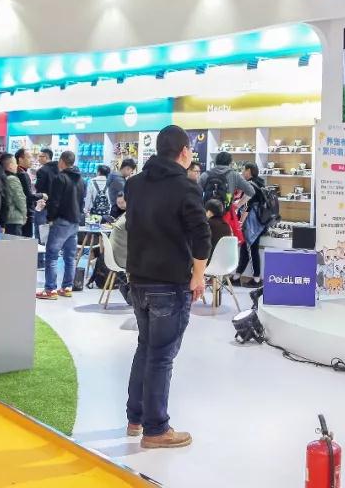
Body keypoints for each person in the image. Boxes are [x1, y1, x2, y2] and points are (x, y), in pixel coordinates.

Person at [124, 125, 211, 448]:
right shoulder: (186, 187)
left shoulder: (134, 184)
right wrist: (198, 275)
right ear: (184, 152)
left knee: (145, 348)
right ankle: (156, 429)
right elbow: (201, 235)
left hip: (138, 280)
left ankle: (135, 418)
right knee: (161, 356)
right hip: (169, 283)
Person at [37, 151, 85, 300]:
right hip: (75, 222)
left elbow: (54, 201)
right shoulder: (81, 179)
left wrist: (50, 218)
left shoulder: (60, 178)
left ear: (62, 162)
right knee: (70, 257)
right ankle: (67, 287)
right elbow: (81, 202)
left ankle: (50, 289)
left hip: (61, 221)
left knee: (52, 255)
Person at [200, 152, 255, 246]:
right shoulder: (234, 175)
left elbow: (195, 192)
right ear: (230, 162)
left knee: (206, 242)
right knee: (225, 244)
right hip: (226, 214)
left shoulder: (206, 174)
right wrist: (239, 204)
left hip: (207, 214)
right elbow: (251, 191)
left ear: (216, 161)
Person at [235, 163, 265, 285]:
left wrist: (240, 222)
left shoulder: (250, 185)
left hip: (251, 223)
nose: (242, 172)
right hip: (259, 222)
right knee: (248, 248)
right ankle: (237, 276)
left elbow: (247, 206)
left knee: (251, 249)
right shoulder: (260, 182)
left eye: (244, 170)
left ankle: (256, 278)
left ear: (249, 171)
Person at [14, 148, 44, 238]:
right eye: (29, 157)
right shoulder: (22, 174)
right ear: (20, 159)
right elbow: (28, 196)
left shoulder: (18, 172)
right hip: (25, 214)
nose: (32, 160)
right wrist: (42, 195)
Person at [34, 148, 58, 243]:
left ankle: (39, 252)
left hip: (43, 205)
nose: (38, 158)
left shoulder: (42, 171)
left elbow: (39, 187)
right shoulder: (59, 169)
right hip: (56, 207)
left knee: (40, 232)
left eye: (40, 156)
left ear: (46, 157)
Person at [0, 154, 27, 236]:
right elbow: (20, 199)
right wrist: (24, 215)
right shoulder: (12, 179)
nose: (17, 165)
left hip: (4, 218)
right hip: (14, 218)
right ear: (10, 166)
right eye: (15, 163)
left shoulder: (1, 177)